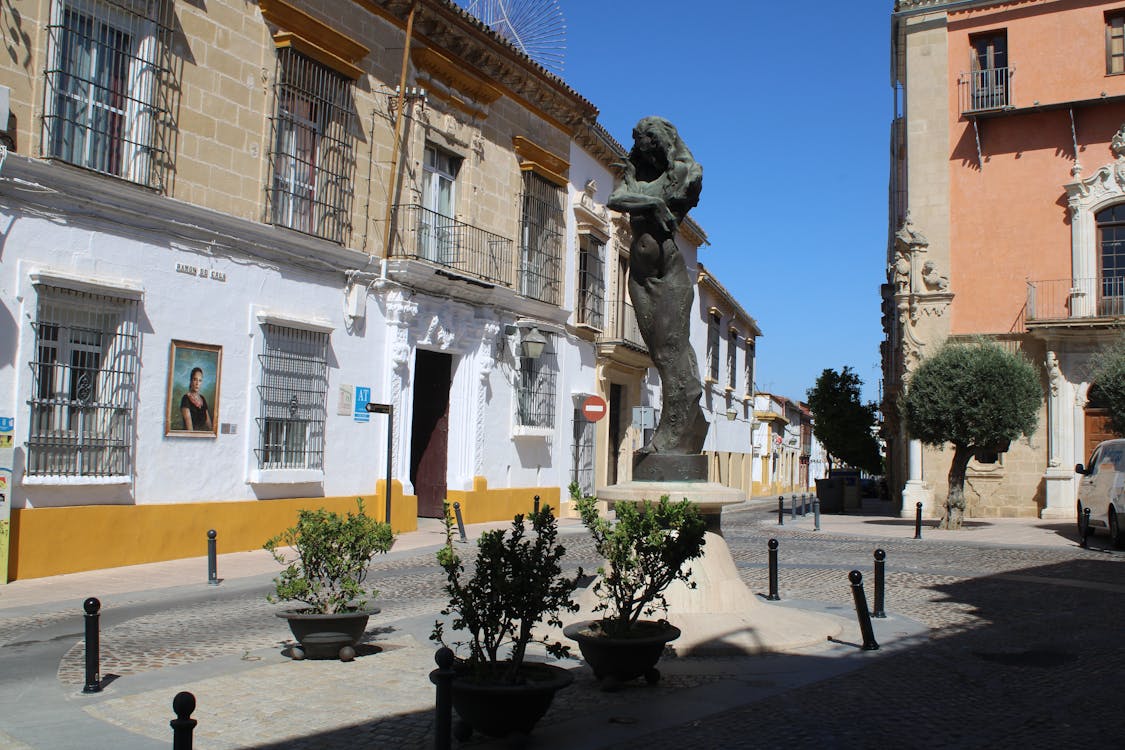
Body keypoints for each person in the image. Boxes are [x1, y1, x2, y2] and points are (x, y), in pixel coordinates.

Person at [607, 116, 708, 455]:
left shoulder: (678, 174)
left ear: (661, 142)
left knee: (669, 352)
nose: (642, 150)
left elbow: (689, 175)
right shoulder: (637, 177)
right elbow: (615, 199)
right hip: (639, 274)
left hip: (667, 272)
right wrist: (650, 203)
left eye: (648, 142)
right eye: (639, 144)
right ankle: (691, 419)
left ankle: (675, 428)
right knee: (661, 350)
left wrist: (647, 196)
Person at [180, 367, 213, 431]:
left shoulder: (203, 399)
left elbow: (209, 425)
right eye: (195, 379)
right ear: (191, 381)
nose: (197, 383)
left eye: (200, 380)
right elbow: (189, 429)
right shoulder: (186, 399)